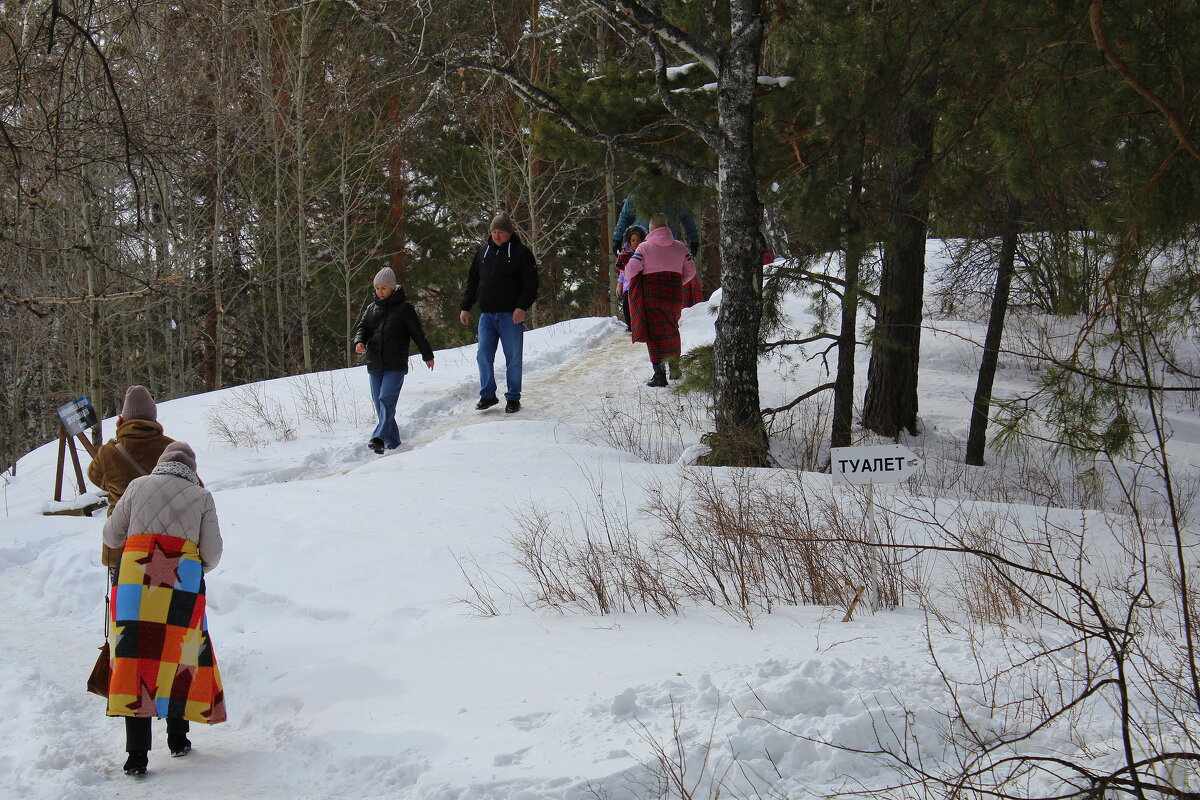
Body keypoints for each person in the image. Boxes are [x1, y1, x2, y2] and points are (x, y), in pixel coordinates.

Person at [102, 442, 225, 776]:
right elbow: (212, 553)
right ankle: (177, 739)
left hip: (133, 581)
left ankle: (136, 756)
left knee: (134, 657)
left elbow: (112, 535)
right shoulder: (201, 497)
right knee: (179, 654)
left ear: (162, 464)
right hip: (181, 582)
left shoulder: (137, 486)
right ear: (191, 469)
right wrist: (188, 564)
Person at [459, 212, 539, 414]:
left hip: (510, 315)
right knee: (483, 355)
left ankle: (513, 398)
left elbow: (531, 284)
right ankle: (487, 395)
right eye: (494, 232)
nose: (496, 236)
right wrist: (465, 306)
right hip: (487, 315)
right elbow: (472, 281)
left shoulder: (521, 254)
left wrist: (521, 306)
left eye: (500, 232)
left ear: (509, 233)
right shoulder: (483, 253)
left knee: (513, 358)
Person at [88, 385, 175, 567]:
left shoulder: (110, 452)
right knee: (163, 593)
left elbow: (94, 477)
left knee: (123, 593)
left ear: (122, 419)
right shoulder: (172, 448)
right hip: (165, 540)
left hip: (122, 540)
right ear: (153, 417)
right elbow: (194, 487)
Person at [354, 267, 435, 454]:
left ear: (392, 288)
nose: (379, 292)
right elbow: (363, 327)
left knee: (386, 399)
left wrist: (427, 355)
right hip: (375, 363)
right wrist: (360, 341)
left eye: (383, 288)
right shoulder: (371, 308)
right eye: (377, 288)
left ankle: (379, 437)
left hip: (395, 364)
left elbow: (417, 334)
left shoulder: (404, 308)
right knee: (381, 404)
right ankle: (394, 444)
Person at [626, 213, 696, 387]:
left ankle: (659, 376)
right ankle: (675, 369)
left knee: (655, 333)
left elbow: (630, 271)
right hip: (674, 294)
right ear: (667, 228)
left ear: (650, 229)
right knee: (672, 328)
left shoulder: (644, 248)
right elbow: (691, 271)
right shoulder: (681, 247)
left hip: (652, 294)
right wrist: (677, 282)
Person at [612, 194, 700, 258]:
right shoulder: (639, 193)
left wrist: (694, 240)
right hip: (641, 246)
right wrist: (617, 238)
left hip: (667, 248)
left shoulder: (674, 195)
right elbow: (626, 216)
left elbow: (687, 217)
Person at [614, 225, 646, 331]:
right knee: (627, 306)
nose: (636, 242)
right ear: (629, 241)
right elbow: (622, 272)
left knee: (641, 306)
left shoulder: (645, 252)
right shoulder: (625, 254)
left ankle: (642, 325)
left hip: (642, 284)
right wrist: (620, 284)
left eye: (638, 240)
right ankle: (630, 326)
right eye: (633, 240)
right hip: (628, 285)